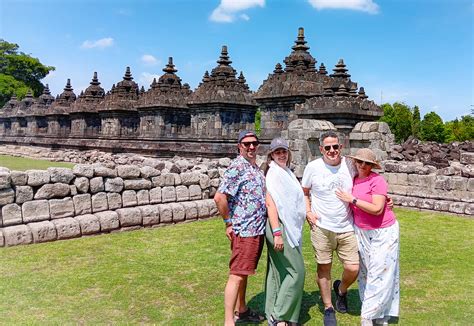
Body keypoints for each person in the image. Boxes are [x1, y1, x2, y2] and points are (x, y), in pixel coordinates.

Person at [335, 148, 400, 326]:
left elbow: (377, 208)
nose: (363, 165)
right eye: (360, 162)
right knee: (366, 274)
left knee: (381, 273)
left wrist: (352, 199)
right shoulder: (353, 179)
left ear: (372, 165)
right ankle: (377, 315)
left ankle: (368, 316)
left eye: (367, 163)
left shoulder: (377, 180)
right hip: (362, 231)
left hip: (384, 231)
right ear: (355, 162)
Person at [301, 131, 359, 326]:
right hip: (322, 226)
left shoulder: (350, 165)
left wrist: (384, 200)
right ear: (321, 149)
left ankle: (341, 290)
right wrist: (308, 211)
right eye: (328, 147)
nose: (332, 151)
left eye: (335, 146)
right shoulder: (313, 167)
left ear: (341, 147)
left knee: (353, 267)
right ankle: (328, 307)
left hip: (346, 225)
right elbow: (305, 191)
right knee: (323, 267)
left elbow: (367, 179)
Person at [214, 130, 267, 326]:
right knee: (236, 275)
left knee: (244, 272)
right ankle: (229, 321)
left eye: (255, 143)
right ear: (239, 146)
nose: (251, 147)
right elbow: (220, 197)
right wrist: (228, 223)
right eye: (247, 144)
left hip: (256, 229)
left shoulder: (255, 168)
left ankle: (242, 309)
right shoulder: (237, 167)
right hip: (244, 230)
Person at [263, 137, 306, 326]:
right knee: (297, 271)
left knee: (278, 269)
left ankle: (271, 312)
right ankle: (281, 315)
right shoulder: (274, 174)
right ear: (271, 154)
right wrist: (278, 232)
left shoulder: (285, 172)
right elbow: (271, 204)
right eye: (277, 152)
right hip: (279, 226)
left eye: (284, 151)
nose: (281, 154)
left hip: (285, 225)